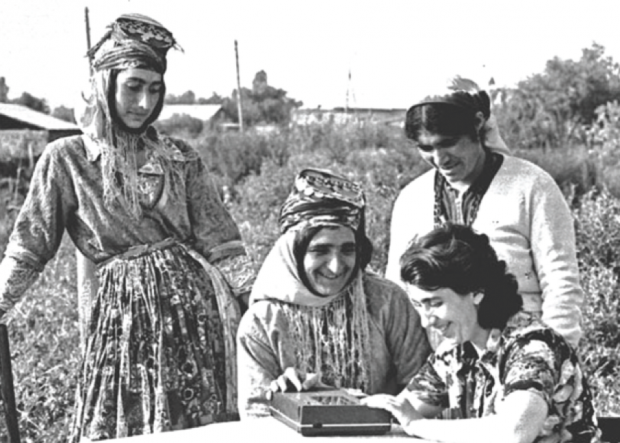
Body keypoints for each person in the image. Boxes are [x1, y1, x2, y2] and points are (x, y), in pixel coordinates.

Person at [0, 13, 251, 441]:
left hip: (198, 316)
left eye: (154, 89)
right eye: (133, 86)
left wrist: (258, 307)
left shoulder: (180, 156)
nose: (143, 103)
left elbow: (222, 242)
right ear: (106, 84)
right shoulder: (69, 159)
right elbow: (30, 246)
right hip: (124, 321)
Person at [386, 84, 583, 349]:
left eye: (448, 143)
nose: (439, 158)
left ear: (477, 125)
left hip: (523, 349)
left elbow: (560, 280)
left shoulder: (530, 185)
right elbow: (398, 289)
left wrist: (558, 353)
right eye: (426, 148)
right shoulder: (412, 198)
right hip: (442, 357)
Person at [364, 223, 600, 443]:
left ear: (476, 292)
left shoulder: (533, 347)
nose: (425, 321)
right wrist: (345, 400)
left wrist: (419, 425)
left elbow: (514, 432)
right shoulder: (455, 353)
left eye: (435, 303)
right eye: (418, 305)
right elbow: (401, 410)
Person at [236, 168, 431, 418]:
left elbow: (423, 392)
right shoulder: (262, 321)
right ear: (293, 252)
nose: (336, 266)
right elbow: (257, 417)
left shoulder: (386, 301)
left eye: (347, 250)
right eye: (320, 251)